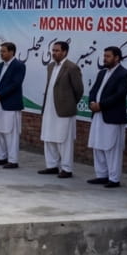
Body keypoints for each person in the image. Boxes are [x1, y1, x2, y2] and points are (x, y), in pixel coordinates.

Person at [86, 46, 127, 189]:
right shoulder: (102, 73)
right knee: (98, 145)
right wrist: (92, 102)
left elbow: (119, 95)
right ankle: (101, 175)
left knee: (112, 148)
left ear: (117, 57)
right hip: (98, 114)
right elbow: (93, 90)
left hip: (112, 115)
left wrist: (101, 105)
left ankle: (114, 178)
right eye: (104, 55)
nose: (104, 58)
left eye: (108, 56)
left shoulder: (125, 74)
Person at [38, 41, 84, 179]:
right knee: (48, 137)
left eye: (57, 50)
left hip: (64, 109)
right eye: (53, 50)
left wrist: (69, 103)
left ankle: (66, 168)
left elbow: (79, 90)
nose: (54, 53)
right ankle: (51, 166)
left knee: (64, 140)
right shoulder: (51, 66)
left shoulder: (72, 67)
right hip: (49, 108)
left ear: (65, 52)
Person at [0, 42, 25, 169]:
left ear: (11, 52)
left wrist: (0, 95)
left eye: (3, 51)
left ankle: (13, 160)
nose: (1, 54)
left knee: (10, 133)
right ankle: (1, 157)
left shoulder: (19, 66)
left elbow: (15, 84)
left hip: (10, 104)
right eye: (0, 51)